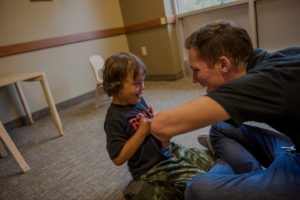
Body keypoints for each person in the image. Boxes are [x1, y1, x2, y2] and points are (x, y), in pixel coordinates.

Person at [151, 20, 300, 199]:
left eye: (196, 70)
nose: (194, 79)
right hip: (292, 146)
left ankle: (243, 178)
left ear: (223, 64)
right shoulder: (278, 59)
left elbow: (161, 126)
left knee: (196, 190)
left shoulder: (263, 82)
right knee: (220, 128)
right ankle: (251, 176)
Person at [103, 52, 172, 180]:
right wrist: (141, 132)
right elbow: (118, 158)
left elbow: (147, 124)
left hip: (163, 155)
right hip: (147, 172)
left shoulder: (139, 100)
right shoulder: (114, 119)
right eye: (137, 84)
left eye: (143, 81)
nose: (143, 88)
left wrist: (155, 119)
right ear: (116, 85)